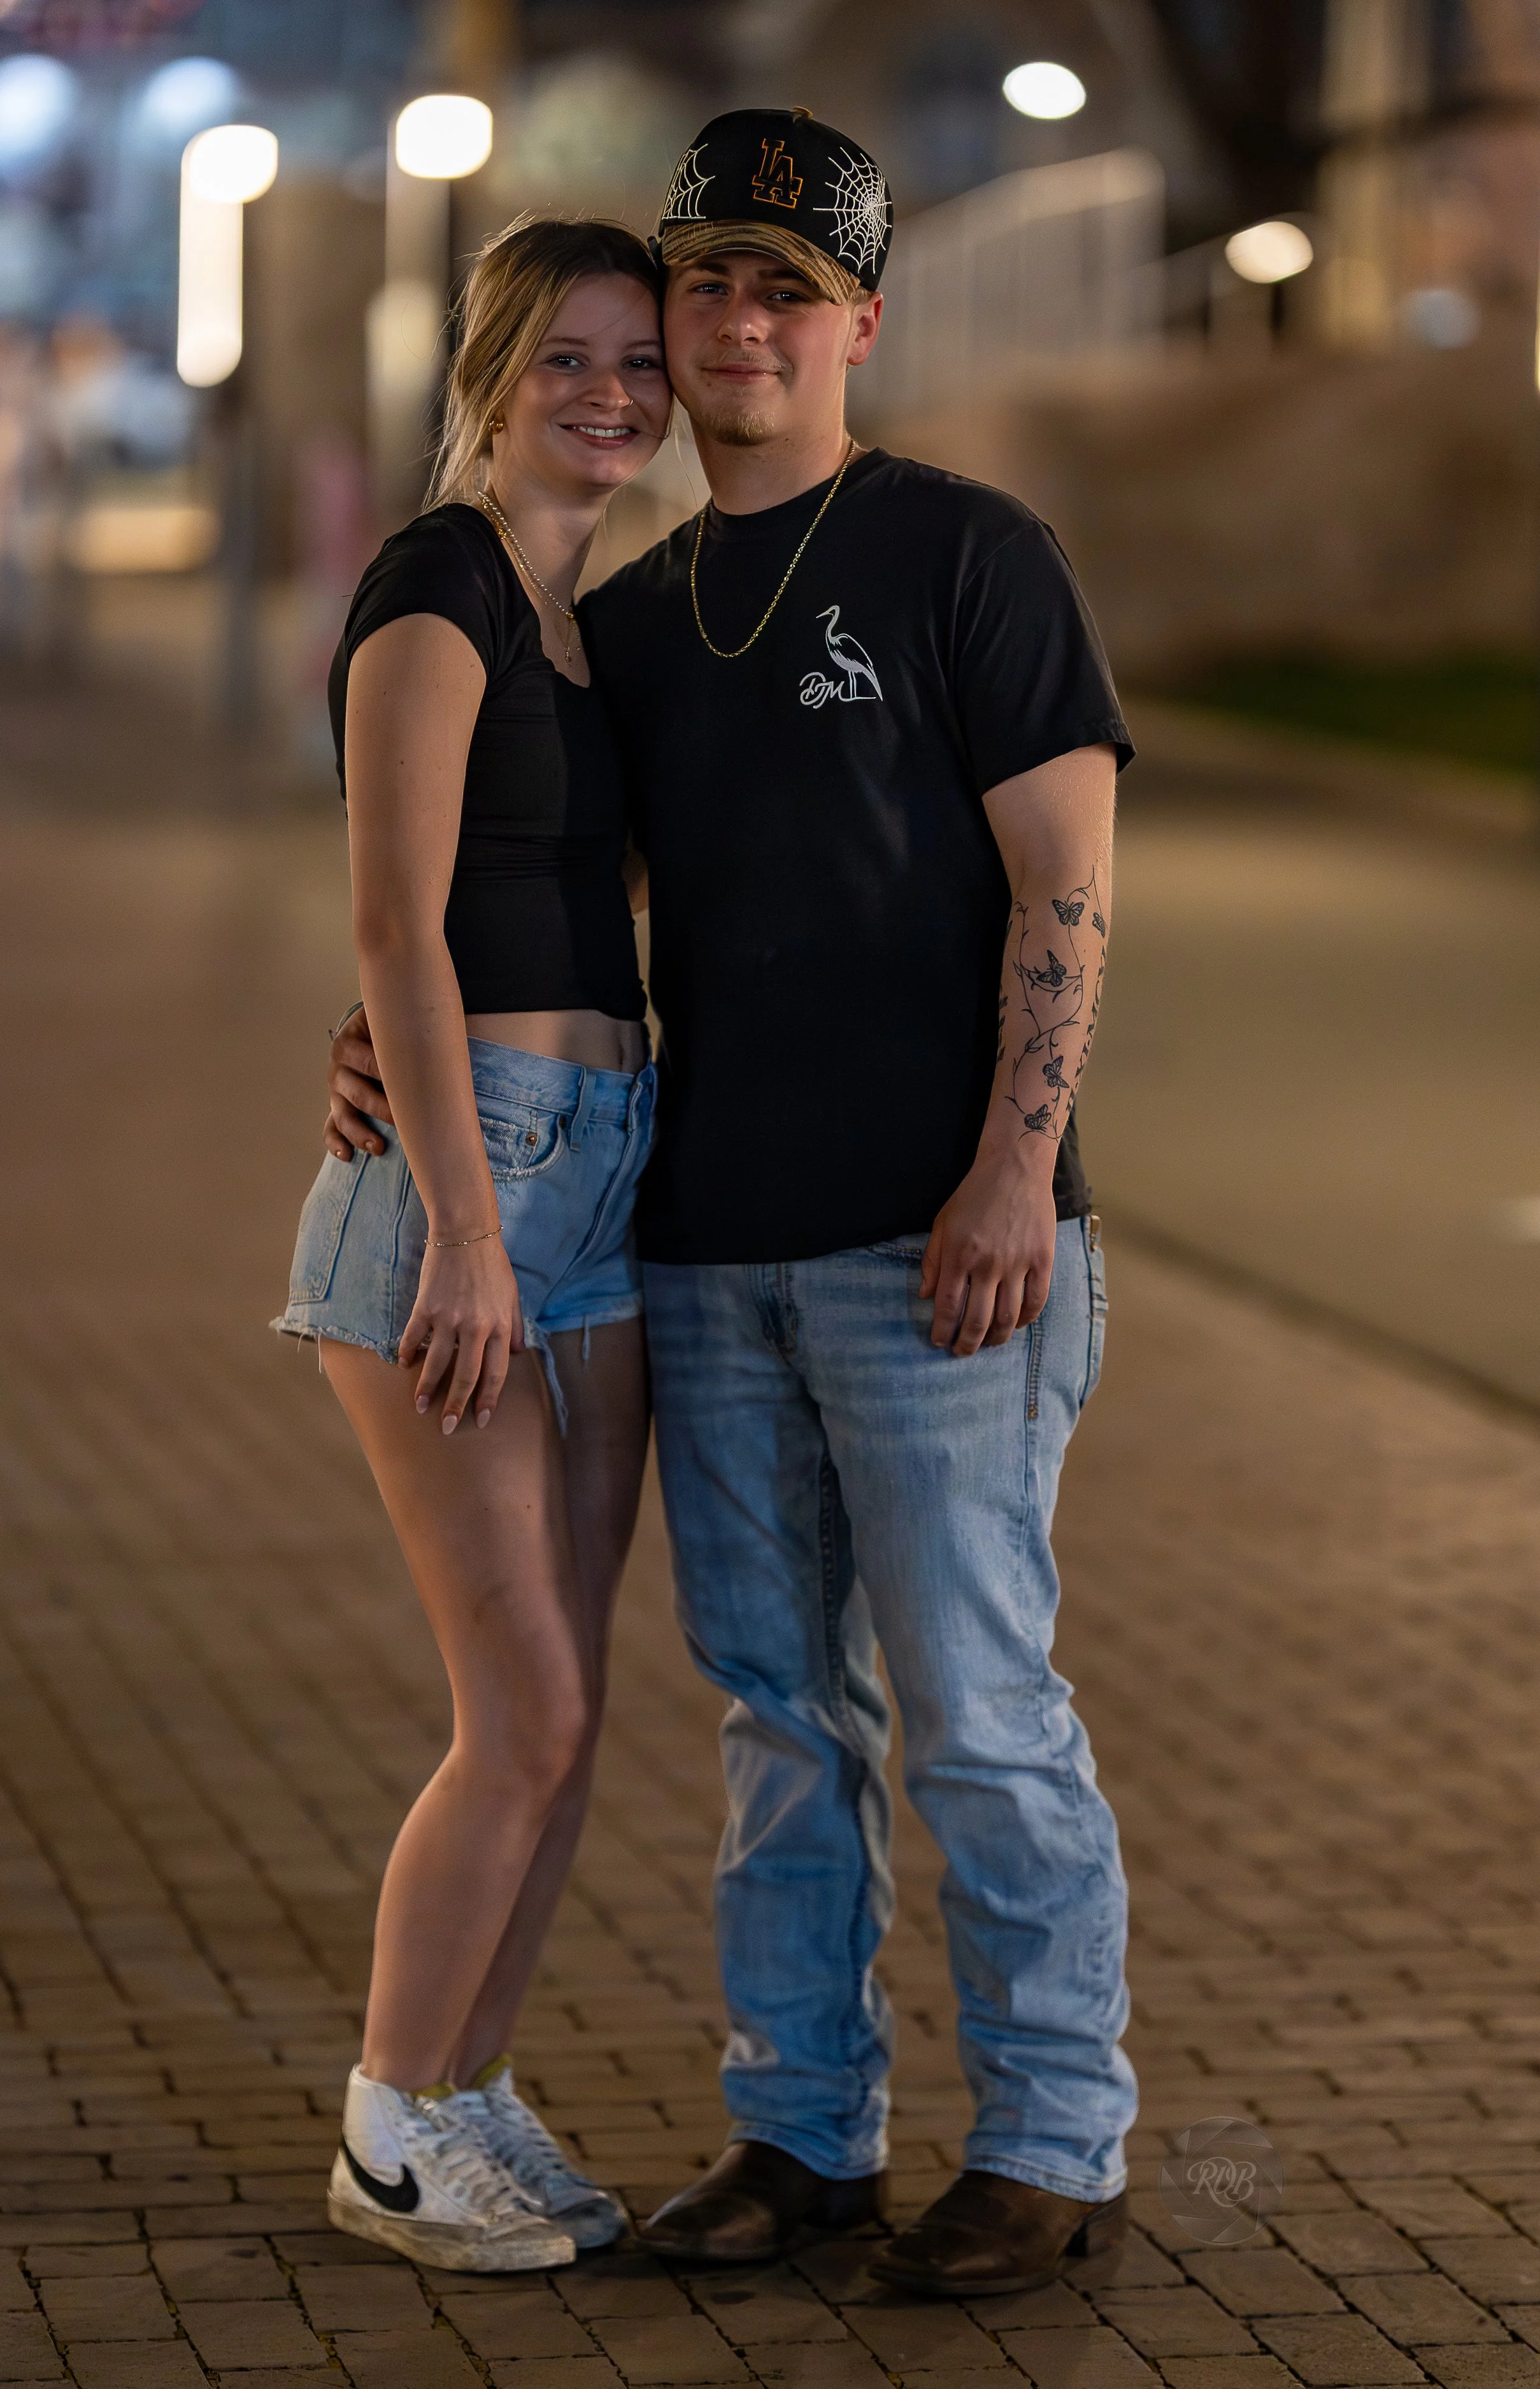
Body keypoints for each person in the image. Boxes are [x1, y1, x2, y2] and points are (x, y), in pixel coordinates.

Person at [326, 108, 1139, 2299]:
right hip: (695, 1244)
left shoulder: (972, 554)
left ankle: (1053, 2132)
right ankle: (801, 2128)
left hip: (939, 1245)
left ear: (858, 320)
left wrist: (1008, 1172)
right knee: (781, 1709)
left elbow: (1066, 893)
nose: (738, 323)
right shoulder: (640, 615)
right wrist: (389, 1031)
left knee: (978, 1702)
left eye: (788, 287)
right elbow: (538, 882)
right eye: (708, 286)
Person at [274, 216, 672, 2271]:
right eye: (568, 357)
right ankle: (389, 2128)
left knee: (574, 1708)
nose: (609, 394)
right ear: (492, 370)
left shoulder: (595, 609)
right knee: (511, 1706)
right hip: (475, 1188)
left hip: (602, 1159)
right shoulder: (435, 588)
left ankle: (471, 2087)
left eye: (639, 361)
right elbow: (391, 926)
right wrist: (457, 1222)